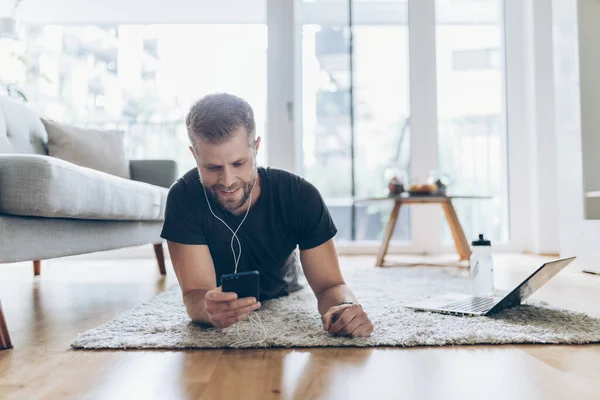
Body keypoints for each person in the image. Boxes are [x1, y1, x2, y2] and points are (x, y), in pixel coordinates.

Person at [160, 93, 373, 338]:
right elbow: (195, 294)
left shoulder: (299, 195)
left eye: (239, 163)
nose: (227, 181)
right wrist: (208, 311)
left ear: (256, 147)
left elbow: (330, 286)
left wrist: (345, 307)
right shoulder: (183, 197)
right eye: (212, 167)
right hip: (216, 299)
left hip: (284, 289)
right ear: (195, 155)